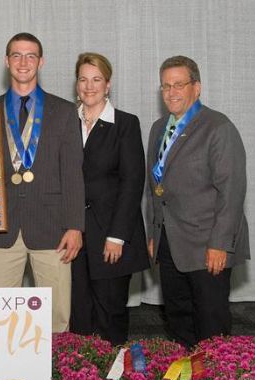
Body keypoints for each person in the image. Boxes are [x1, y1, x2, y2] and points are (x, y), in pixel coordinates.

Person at [0, 33, 85, 333]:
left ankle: (59, 378)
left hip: (54, 229)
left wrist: (75, 226)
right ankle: (1, 375)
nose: (23, 62)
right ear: (6, 61)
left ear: (41, 62)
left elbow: (73, 173)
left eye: (30, 56)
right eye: (16, 55)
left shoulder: (65, 112)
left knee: (56, 318)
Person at [146, 55, 250, 347]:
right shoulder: (158, 128)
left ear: (197, 87)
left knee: (210, 323)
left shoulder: (218, 127)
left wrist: (220, 243)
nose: (171, 92)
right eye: (165, 86)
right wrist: (154, 233)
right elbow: (154, 188)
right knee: (178, 318)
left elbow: (232, 192)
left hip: (207, 245)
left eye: (179, 84)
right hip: (169, 243)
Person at [70, 53, 149, 345]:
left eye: (96, 79)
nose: (89, 86)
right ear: (76, 83)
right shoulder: (65, 121)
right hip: (74, 234)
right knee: (78, 313)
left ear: (108, 84)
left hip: (111, 236)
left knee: (110, 312)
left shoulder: (125, 124)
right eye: (83, 79)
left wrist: (117, 236)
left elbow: (132, 183)